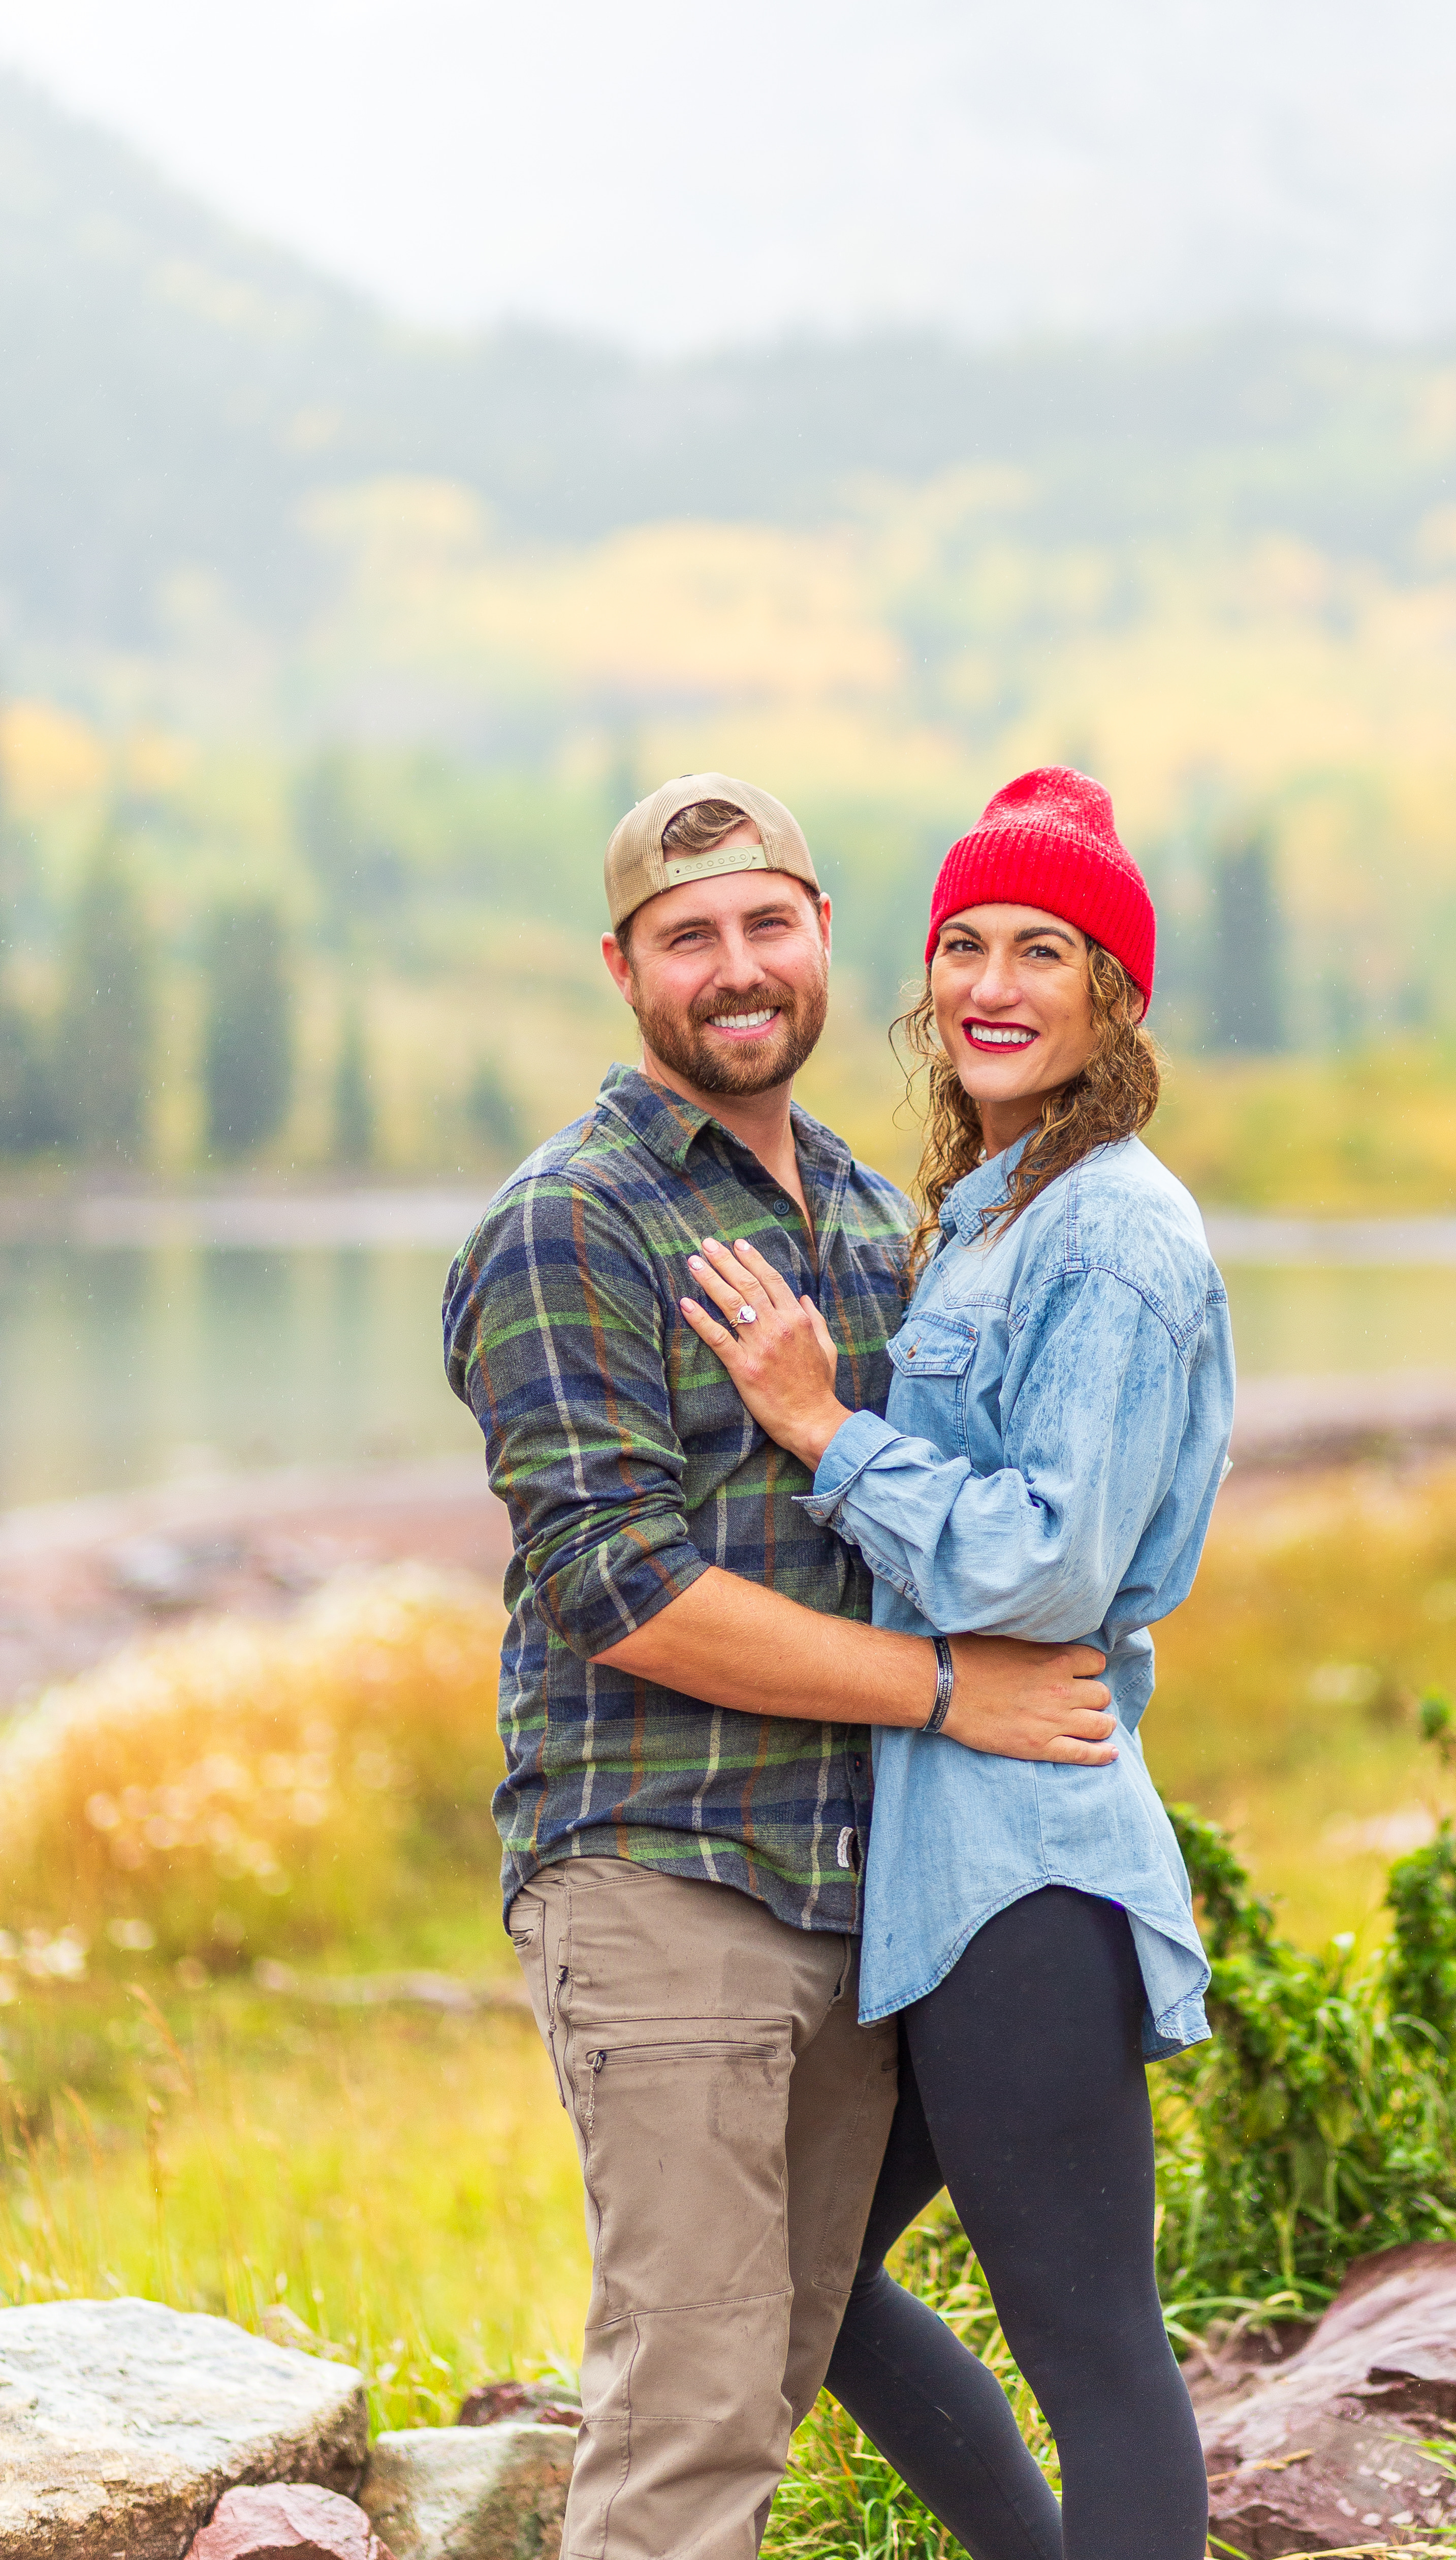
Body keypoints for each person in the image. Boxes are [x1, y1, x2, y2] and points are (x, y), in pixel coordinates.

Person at [442, 771, 1120, 2560]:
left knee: (778, 2364)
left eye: (764, 925)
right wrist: (956, 1695)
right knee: (691, 2422)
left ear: (823, 937)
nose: (733, 969)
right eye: (687, 940)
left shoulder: (868, 1210)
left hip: (864, 1899)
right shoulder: (569, 1223)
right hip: (666, 1880)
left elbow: (939, 1513)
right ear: (624, 967)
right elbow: (619, 1588)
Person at [678, 765, 1235, 2560]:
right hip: (945, 1862)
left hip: (1033, 1873)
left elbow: (1055, 1561)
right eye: (967, 947)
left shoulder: (1117, 1233)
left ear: (1111, 997)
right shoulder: (1000, 1205)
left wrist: (824, 1431)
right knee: (811, 2284)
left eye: (1045, 952)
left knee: (1095, 2350)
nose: (997, 984)